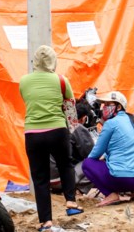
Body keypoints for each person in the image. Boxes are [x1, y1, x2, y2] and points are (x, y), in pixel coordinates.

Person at [19, 45, 83, 232]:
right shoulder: (61, 80)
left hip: (33, 134)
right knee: (65, 165)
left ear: (36, 61)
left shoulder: (24, 81)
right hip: (57, 131)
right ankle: (70, 202)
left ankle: (46, 222)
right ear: (53, 61)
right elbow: (70, 108)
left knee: (40, 178)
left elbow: (28, 101)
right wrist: (72, 130)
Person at [82, 91, 134, 206]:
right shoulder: (133, 121)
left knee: (87, 164)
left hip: (123, 180)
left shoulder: (111, 123)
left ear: (119, 107)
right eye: (104, 105)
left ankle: (111, 195)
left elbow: (96, 153)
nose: (104, 108)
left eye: (108, 105)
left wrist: (95, 162)